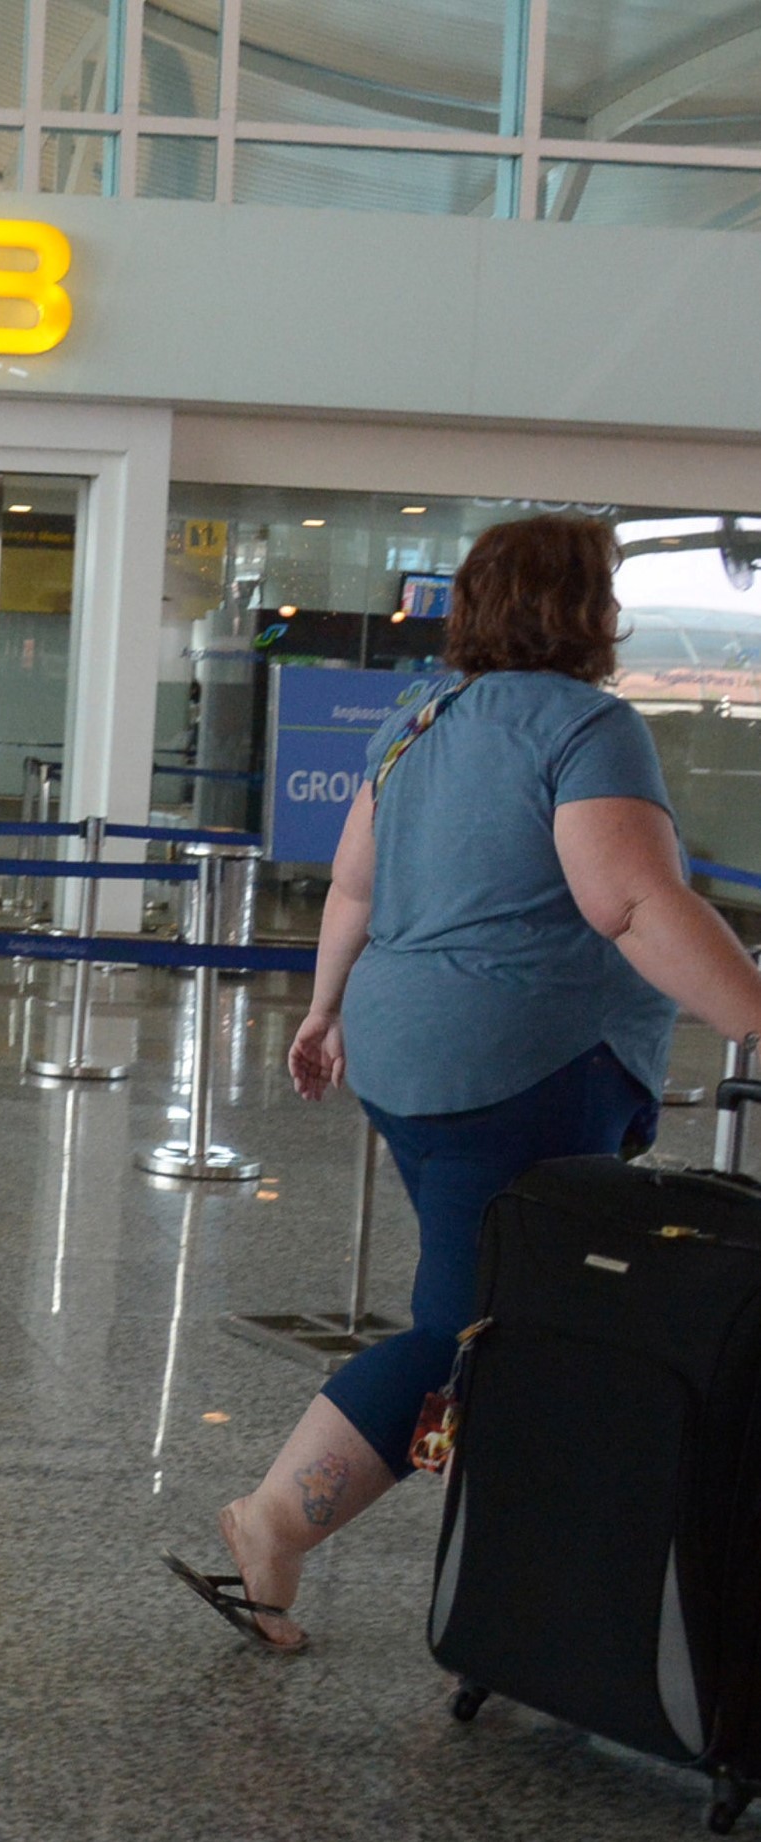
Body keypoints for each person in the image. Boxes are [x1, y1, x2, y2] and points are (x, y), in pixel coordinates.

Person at [169, 514, 761, 1653]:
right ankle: (276, 1523)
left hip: (407, 1057)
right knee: (466, 1324)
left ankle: (534, 1563)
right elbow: (629, 901)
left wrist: (327, 1007)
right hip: (521, 1066)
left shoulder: (417, 719)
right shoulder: (592, 726)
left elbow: (352, 888)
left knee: (512, 1301)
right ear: (593, 610)